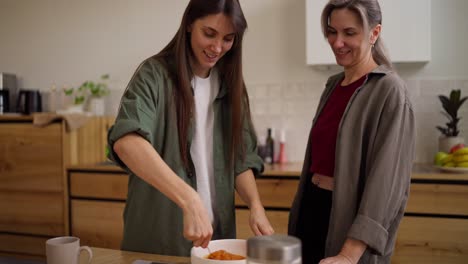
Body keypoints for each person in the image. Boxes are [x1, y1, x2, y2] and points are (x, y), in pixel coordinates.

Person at [107, 0, 274, 257]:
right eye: (209, 33)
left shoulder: (231, 86)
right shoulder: (154, 75)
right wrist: (190, 199)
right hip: (158, 241)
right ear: (188, 26)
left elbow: (240, 160)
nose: (217, 47)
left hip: (214, 242)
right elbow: (126, 142)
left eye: (228, 39)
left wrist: (255, 205)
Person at [288, 0, 415, 263]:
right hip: (312, 211)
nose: (337, 42)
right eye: (332, 31)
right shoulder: (334, 85)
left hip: (349, 227)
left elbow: (386, 184)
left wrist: (349, 254)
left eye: (349, 33)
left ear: (374, 33)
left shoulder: (389, 90)